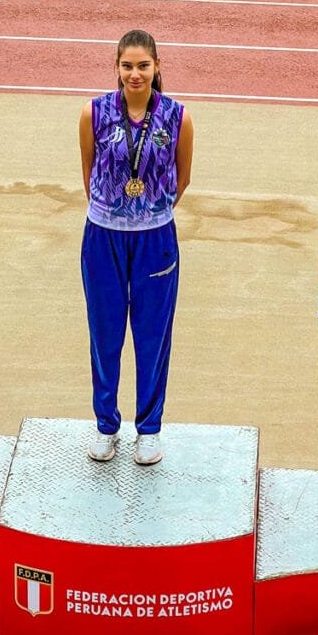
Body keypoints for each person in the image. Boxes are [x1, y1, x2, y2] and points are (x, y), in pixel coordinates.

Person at [78, 29, 194, 465]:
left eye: (143, 65)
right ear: (117, 66)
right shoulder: (94, 113)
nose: (135, 74)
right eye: (127, 65)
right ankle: (106, 425)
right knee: (105, 333)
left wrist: (149, 210)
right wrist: (115, 210)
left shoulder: (178, 117)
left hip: (155, 239)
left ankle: (149, 428)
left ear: (157, 66)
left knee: (152, 336)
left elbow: (182, 179)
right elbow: (87, 173)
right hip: (103, 235)